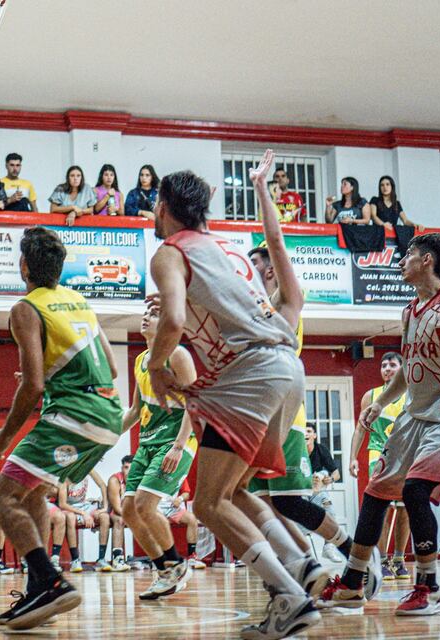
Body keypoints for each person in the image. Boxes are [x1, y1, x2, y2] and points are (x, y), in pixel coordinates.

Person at [149, 150, 323, 639]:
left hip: (252, 375)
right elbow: (286, 289)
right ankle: (300, 564)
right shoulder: (229, 249)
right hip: (289, 370)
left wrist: (157, 364)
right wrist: (262, 188)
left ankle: (289, 593)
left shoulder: (170, 251)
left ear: (163, 207)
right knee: (235, 490)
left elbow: (174, 320)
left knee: (207, 503)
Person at [320, 233, 440, 616]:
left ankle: (429, 588)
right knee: (376, 492)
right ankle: (352, 583)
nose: (401, 260)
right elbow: (408, 371)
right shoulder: (410, 311)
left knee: (413, 492)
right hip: (413, 415)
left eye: (408, 254)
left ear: (426, 260)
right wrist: (379, 402)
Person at [0, 226, 122, 630]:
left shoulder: (25, 308)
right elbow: (111, 369)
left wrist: (5, 434)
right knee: (33, 495)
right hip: (108, 416)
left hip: (74, 417)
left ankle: (50, 580)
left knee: (0, 499)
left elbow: (34, 386)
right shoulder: (78, 301)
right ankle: (37, 590)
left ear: (24, 265)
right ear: (59, 270)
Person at [246, 244, 356, 566]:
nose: (246, 268)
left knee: (290, 502)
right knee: (263, 507)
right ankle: (303, 566)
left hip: (285, 416)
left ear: (269, 270)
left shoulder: (283, 302)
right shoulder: (255, 307)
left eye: (253, 263)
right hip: (258, 416)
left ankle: (349, 549)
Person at [121, 308, 199, 599]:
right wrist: (102, 437)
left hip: (176, 441)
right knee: (128, 511)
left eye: (154, 313)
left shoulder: (177, 355)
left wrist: (179, 446)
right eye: (145, 312)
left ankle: (177, 565)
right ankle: (165, 570)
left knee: (144, 505)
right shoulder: (141, 360)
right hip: (147, 441)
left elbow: (195, 402)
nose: (145, 316)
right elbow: (132, 412)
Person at [348, 351, 411, 580]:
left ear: (402, 369)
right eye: (383, 365)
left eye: (392, 365)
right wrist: (352, 457)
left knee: (405, 509)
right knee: (383, 507)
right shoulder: (371, 396)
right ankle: (383, 559)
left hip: (405, 456)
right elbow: (360, 428)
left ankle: (399, 559)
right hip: (379, 454)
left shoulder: (411, 395)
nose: (386, 368)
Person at [304, 424, 345, 561]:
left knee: (330, 512)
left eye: (309, 431)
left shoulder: (321, 449)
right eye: (303, 431)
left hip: (316, 493)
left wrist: (329, 479)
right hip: (300, 493)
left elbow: (337, 474)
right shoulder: (296, 450)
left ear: (314, 435)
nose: (306, 434)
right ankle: (302, 554)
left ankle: (328, 548)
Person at [57, 470, 110, 572]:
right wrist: (83, 513)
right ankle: (75, 559)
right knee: (71, 518)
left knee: (105, 517)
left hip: (83, 505)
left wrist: (105, 507)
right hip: (69, 507)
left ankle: (101, 559)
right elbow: (62, 504)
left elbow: (103, 485)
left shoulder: (88, 468)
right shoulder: (66, 476)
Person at [158, 479, 204, 569]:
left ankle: (192, 556)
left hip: (173, 508)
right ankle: (160, 558)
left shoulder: (181, 473)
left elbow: (186, 493)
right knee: (158, 523)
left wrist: (180, 499)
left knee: (192, 519)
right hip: (157, 508)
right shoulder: (155, 472)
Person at [105, 456, 131, 572]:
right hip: (112, 511)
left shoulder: (140, 479)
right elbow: (116, 508)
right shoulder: (114, 480)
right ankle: (117, 558)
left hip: (132, 511)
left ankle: (158, 558)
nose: (128, 471)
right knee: (119, 520)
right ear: (122, 468)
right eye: (126, 467)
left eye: (131, 468)